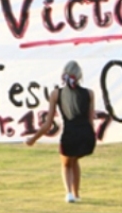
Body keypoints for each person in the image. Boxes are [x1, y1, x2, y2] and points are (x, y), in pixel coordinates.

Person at [25, 61, 96, 203]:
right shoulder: (89, 93)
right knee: (74, 160)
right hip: (86, 136)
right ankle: (76, 194)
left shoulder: (56, 94)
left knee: (66, 163)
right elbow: (91, 120)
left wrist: (33, 139)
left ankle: (69, 193)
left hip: (70, 134)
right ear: (79, 76)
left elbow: (47, 124)